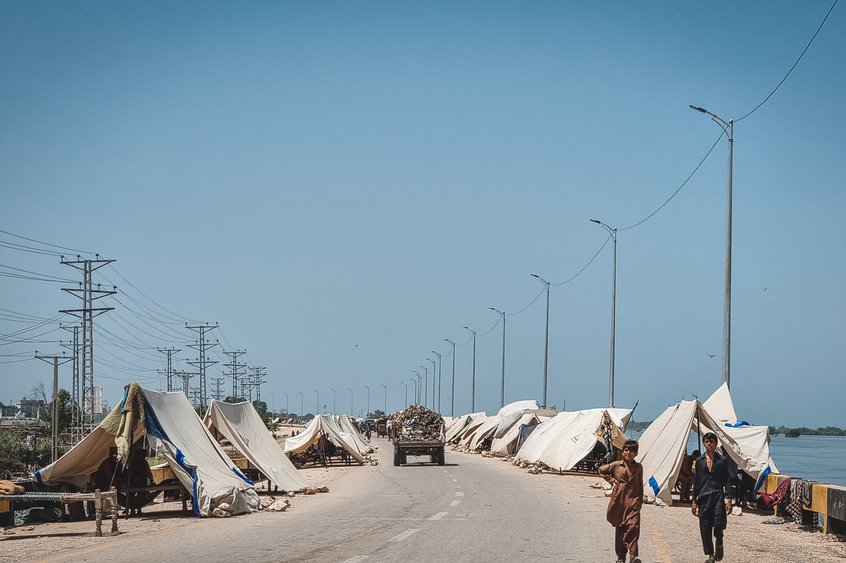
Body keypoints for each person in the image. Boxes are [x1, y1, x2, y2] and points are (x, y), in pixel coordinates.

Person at [598, 440, 643, 563]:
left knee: (633, 527)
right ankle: (621, 557)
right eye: (626, 450)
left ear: (636, 453)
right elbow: (601, 470)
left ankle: (633, 555)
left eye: (632, 450)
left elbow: (640, 484)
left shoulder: (638, 467)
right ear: (623, 452)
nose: (628, 453)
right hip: (619, 501)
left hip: (633, 501)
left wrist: (640, 501)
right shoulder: (616, 465)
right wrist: (612, 480)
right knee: (620, 528)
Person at [692, 433, 733, 562]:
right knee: (705, 526)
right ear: (704, 443)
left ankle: (719, 540)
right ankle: (710, 555)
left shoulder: (722, 460)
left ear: (716, 444)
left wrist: (729, 498)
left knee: (718, 523)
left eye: (712, 442)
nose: (709, 444)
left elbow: (727, 480)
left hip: (718, 495)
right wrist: (694, 500)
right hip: (703, 496)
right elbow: (697, 481)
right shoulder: (699, 461)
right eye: (707, 442)